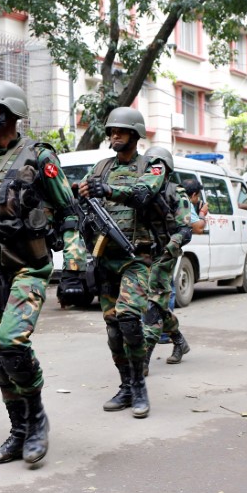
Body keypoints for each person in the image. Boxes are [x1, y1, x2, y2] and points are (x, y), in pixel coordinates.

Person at [0, 80, 87, 466]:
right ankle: (18, 432)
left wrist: (75, 263)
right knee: (0, 354)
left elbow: (69, 213)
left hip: (29, 267)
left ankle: (37, 421)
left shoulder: (39, 157)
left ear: (9, 113)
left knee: (12, 341)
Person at [77, 107, 165, 418]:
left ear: (135, 135)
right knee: (113, 327)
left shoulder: (152, 166)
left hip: (136, 257)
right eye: (111, 130)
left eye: (121, 131)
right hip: (105, 257)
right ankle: (125, 384)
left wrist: (110, 190)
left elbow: (143, 194)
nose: (114, 135)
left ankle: (140, 384)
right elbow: (83, 196)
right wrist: (81, 192)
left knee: (129, 317)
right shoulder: (100, 167)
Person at [140, 146, 193, 372]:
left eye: (158, 166)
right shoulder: (140, 190)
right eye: (150, 166)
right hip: (139, 253)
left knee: (153, 305)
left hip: (164, 254)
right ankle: (179, 340)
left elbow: (185, 230)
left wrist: (170, 247)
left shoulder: (175, 192)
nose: (155, 171)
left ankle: (143, 359)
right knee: (152, 303)